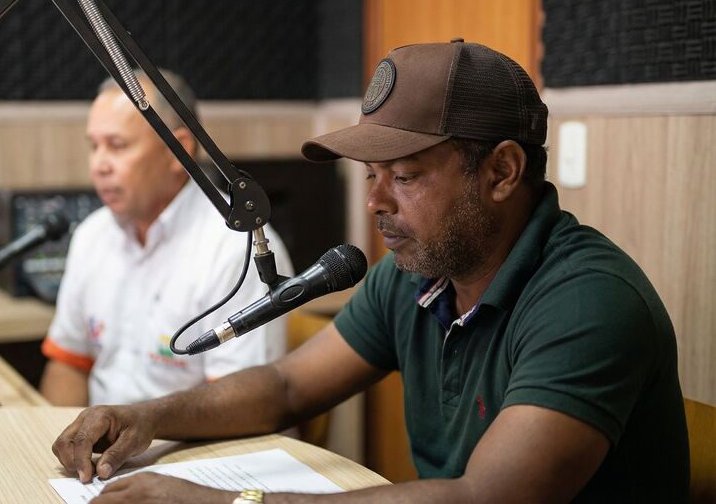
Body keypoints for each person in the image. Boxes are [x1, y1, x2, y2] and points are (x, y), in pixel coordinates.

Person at [51, 41, 689, 504]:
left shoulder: (588, 302)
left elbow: (483, 499)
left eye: (405, 177)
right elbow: (285, 388)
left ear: (501, 171)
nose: (375, 204)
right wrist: (149, 417)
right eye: (371, 178)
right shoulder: (413, 274)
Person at [39, 69, 293, 407]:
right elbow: (69, 364)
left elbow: (242, 405)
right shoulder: (91, 235)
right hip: (106, 452)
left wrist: (138, 431)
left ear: (178, 151)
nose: (99, 165)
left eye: (117, 146)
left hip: (200, 452)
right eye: (94, 147)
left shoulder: (237, 247)